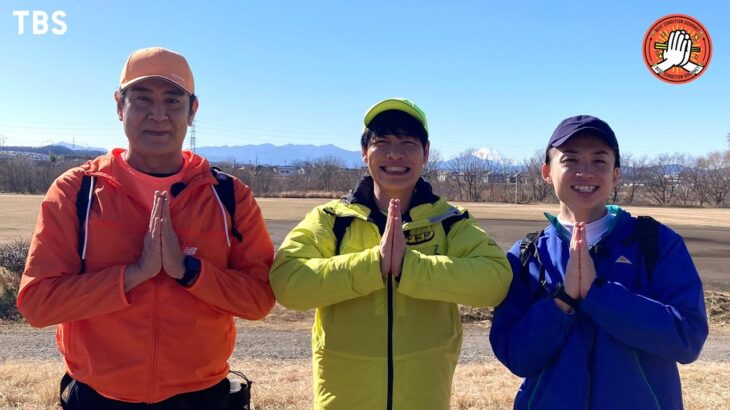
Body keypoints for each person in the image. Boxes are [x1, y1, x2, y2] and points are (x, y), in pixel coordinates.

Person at [16, 47, 275, 408]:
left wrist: (188, 271)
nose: (158, 115)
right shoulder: (77, 190)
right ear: (119, 106)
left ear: (192, 111)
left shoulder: (229, 196)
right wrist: (132, 275)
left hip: (202, 397)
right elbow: (38, 304)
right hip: (97, 397)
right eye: (141, 99)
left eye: (172, 100)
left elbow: (260, 298)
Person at [269, 98, 513, 409]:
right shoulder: (332, 220)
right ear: (364, 153)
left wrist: (411, 267)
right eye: (382, 142)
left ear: (426, 152)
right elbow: (287, 283)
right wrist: (373, 264)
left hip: (424, 397)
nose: (395, 154)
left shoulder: (449, 221)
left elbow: (496, 280)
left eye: (407, 142)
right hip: (343, 399)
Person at [489, 115, 708, 409]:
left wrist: (600, 296)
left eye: (599, 161)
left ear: (616, 174)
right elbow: (516, 356)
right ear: (546, 171)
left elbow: (687, 338)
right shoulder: (528, 254)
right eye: (570, 160)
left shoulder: (655, 243)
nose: (585, 172)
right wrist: (561, 301)